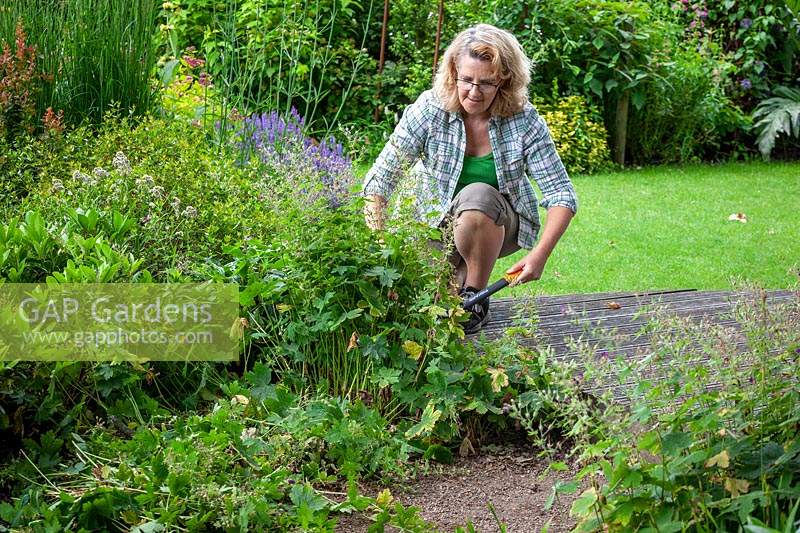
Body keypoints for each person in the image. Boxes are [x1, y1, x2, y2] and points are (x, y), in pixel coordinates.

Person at [363, 23, 577, 334]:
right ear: (453, 72)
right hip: (432, 225)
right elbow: (379, 181)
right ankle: (459, 278)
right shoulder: (429, 109)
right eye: (467, 80)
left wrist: (540, 255)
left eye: (486, 83)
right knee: (427, 307)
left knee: (477, 197)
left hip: (495, 224)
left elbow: (561, 194)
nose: (474, 92)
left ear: (504, 80)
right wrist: (380, 246)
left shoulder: (524, 120)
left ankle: (474, 298)